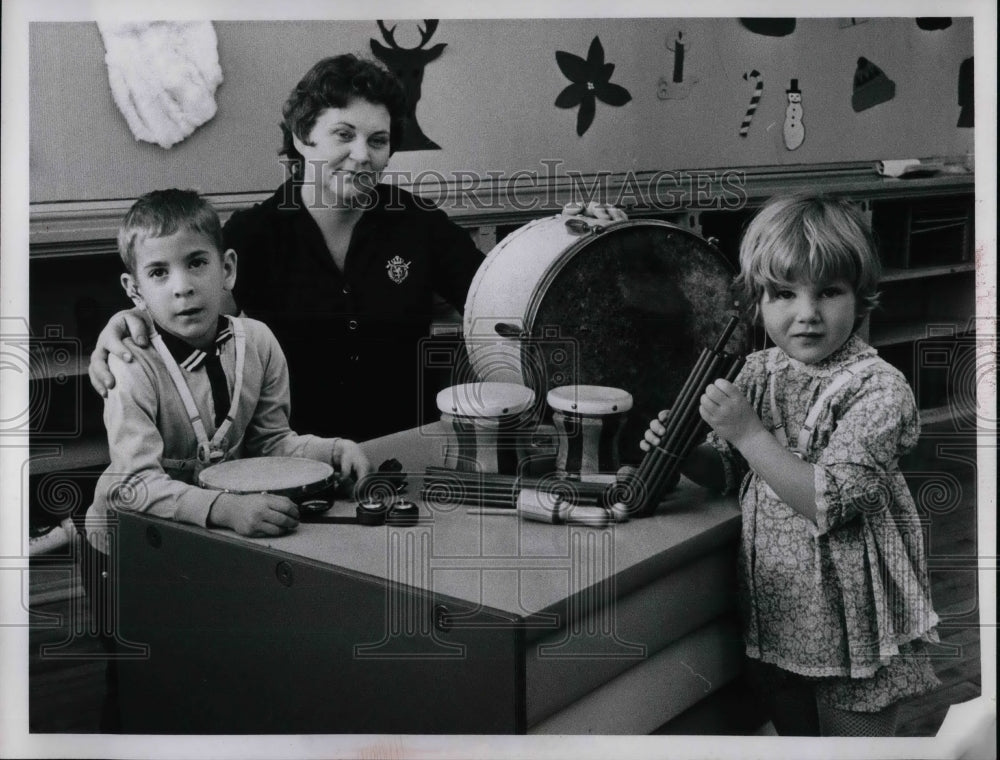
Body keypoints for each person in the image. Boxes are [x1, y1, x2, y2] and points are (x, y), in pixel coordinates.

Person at [87, 54, 626, 441]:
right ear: (302, 138)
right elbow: (195, 329)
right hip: (293, 456)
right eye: (343, 135)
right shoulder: (253, 234)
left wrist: (568, 235)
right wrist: (126, 324)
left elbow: (505, 294)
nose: (362, 155)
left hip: (408, 450)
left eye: (378, 140)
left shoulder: (417, 222)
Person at [641, 194, 940, 736]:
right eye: (783, 293)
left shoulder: (879, 390)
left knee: (856, 744)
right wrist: (688, 452)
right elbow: (731, 471)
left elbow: (827, 503)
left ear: (861, 296)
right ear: (758, 302)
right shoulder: (759, 370)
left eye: (828, 291)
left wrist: (749, 432)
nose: (806, 314)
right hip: (781, 612)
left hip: (853, 622)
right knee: (795, 737)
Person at [81, 188, 371, 730]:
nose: (184, 286)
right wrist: (225, 509)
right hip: (124, 544)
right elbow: (133, 485)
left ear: (227, 267)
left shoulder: (258, 342)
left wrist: (332, 451)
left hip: (209, 537)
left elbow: (271, 443)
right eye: (159, 273)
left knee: (205, 668)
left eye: (196, 263)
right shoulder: (129, 365)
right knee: (137, 672)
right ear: (133, 289)